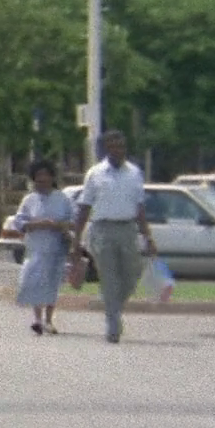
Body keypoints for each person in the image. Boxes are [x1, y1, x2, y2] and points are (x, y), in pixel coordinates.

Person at [68, 130, 154, 344]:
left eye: (121, 146)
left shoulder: (134, 173)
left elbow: (139, 207)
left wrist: (148, 236)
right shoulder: (95, 174)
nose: (118, 150)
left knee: (132, 274)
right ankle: (113, 324)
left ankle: (113, 307)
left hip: (127, 229)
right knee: (109, 278)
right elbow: (84, 207)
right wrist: (76, 240)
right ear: (106, 149)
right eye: (113, 146)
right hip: (102, 230)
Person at [7, 159, 75, 335]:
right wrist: (38, 224)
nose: (42, 179)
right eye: (38, 176)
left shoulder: (62, 199)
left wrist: (59, 225)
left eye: (45, 175)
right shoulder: (29, 200)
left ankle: (49, 320)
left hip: (56, 248)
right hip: (36, 248)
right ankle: (37, 319)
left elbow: (73, 221)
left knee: (52, 283)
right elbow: (19, 222)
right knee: (35, 282)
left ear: (52, 177)